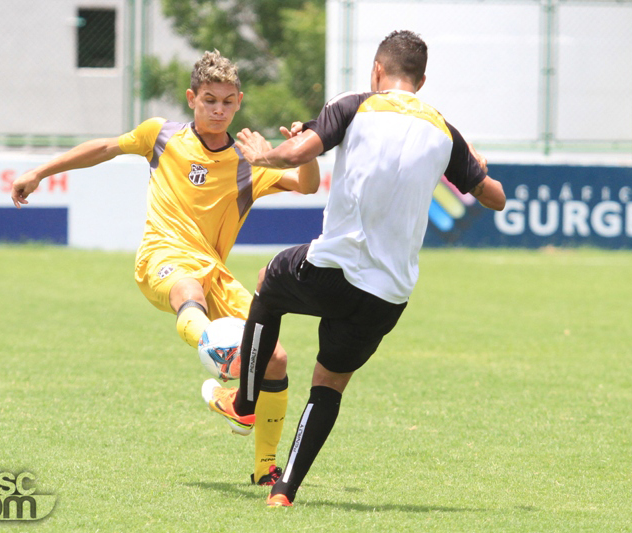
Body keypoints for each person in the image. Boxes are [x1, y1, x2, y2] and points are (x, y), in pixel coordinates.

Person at [202, 30, 506, 507]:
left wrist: (265, 154)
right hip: (388, 296)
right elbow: (495, 197)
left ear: (377, 72)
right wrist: (477, 168)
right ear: (422, 81)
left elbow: (303, 152)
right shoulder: (445, 131)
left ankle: (243, 404)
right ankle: (283, 493)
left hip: (332, 269)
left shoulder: (357, 103)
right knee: (328, 384)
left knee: (267, 282)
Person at [10, 50, 320, 486]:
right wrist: (40, 170)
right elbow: (102, 148)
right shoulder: (161, 136)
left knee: (276, 359)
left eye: (228, 101)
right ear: (192, 98)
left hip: (216, 273)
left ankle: (263, 466)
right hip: (163, 257)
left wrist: (299, 151)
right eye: (209, 99)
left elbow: (308, 187)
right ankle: (216, 349)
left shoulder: (251, 161)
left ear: (239, 102)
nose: (218, 109)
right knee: (187, 288)